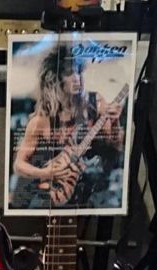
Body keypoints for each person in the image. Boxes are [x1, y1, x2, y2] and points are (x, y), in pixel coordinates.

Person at [11, 45, 125, 209]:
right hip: (45, 195)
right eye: (69, 73)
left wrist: (115, 122)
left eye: (78, 71)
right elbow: (19, 165)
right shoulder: (41, 120)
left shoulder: (95, 103)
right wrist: (46, 173)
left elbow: (116, 146)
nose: (76, 78)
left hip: (86, 194)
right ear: (56, 79)